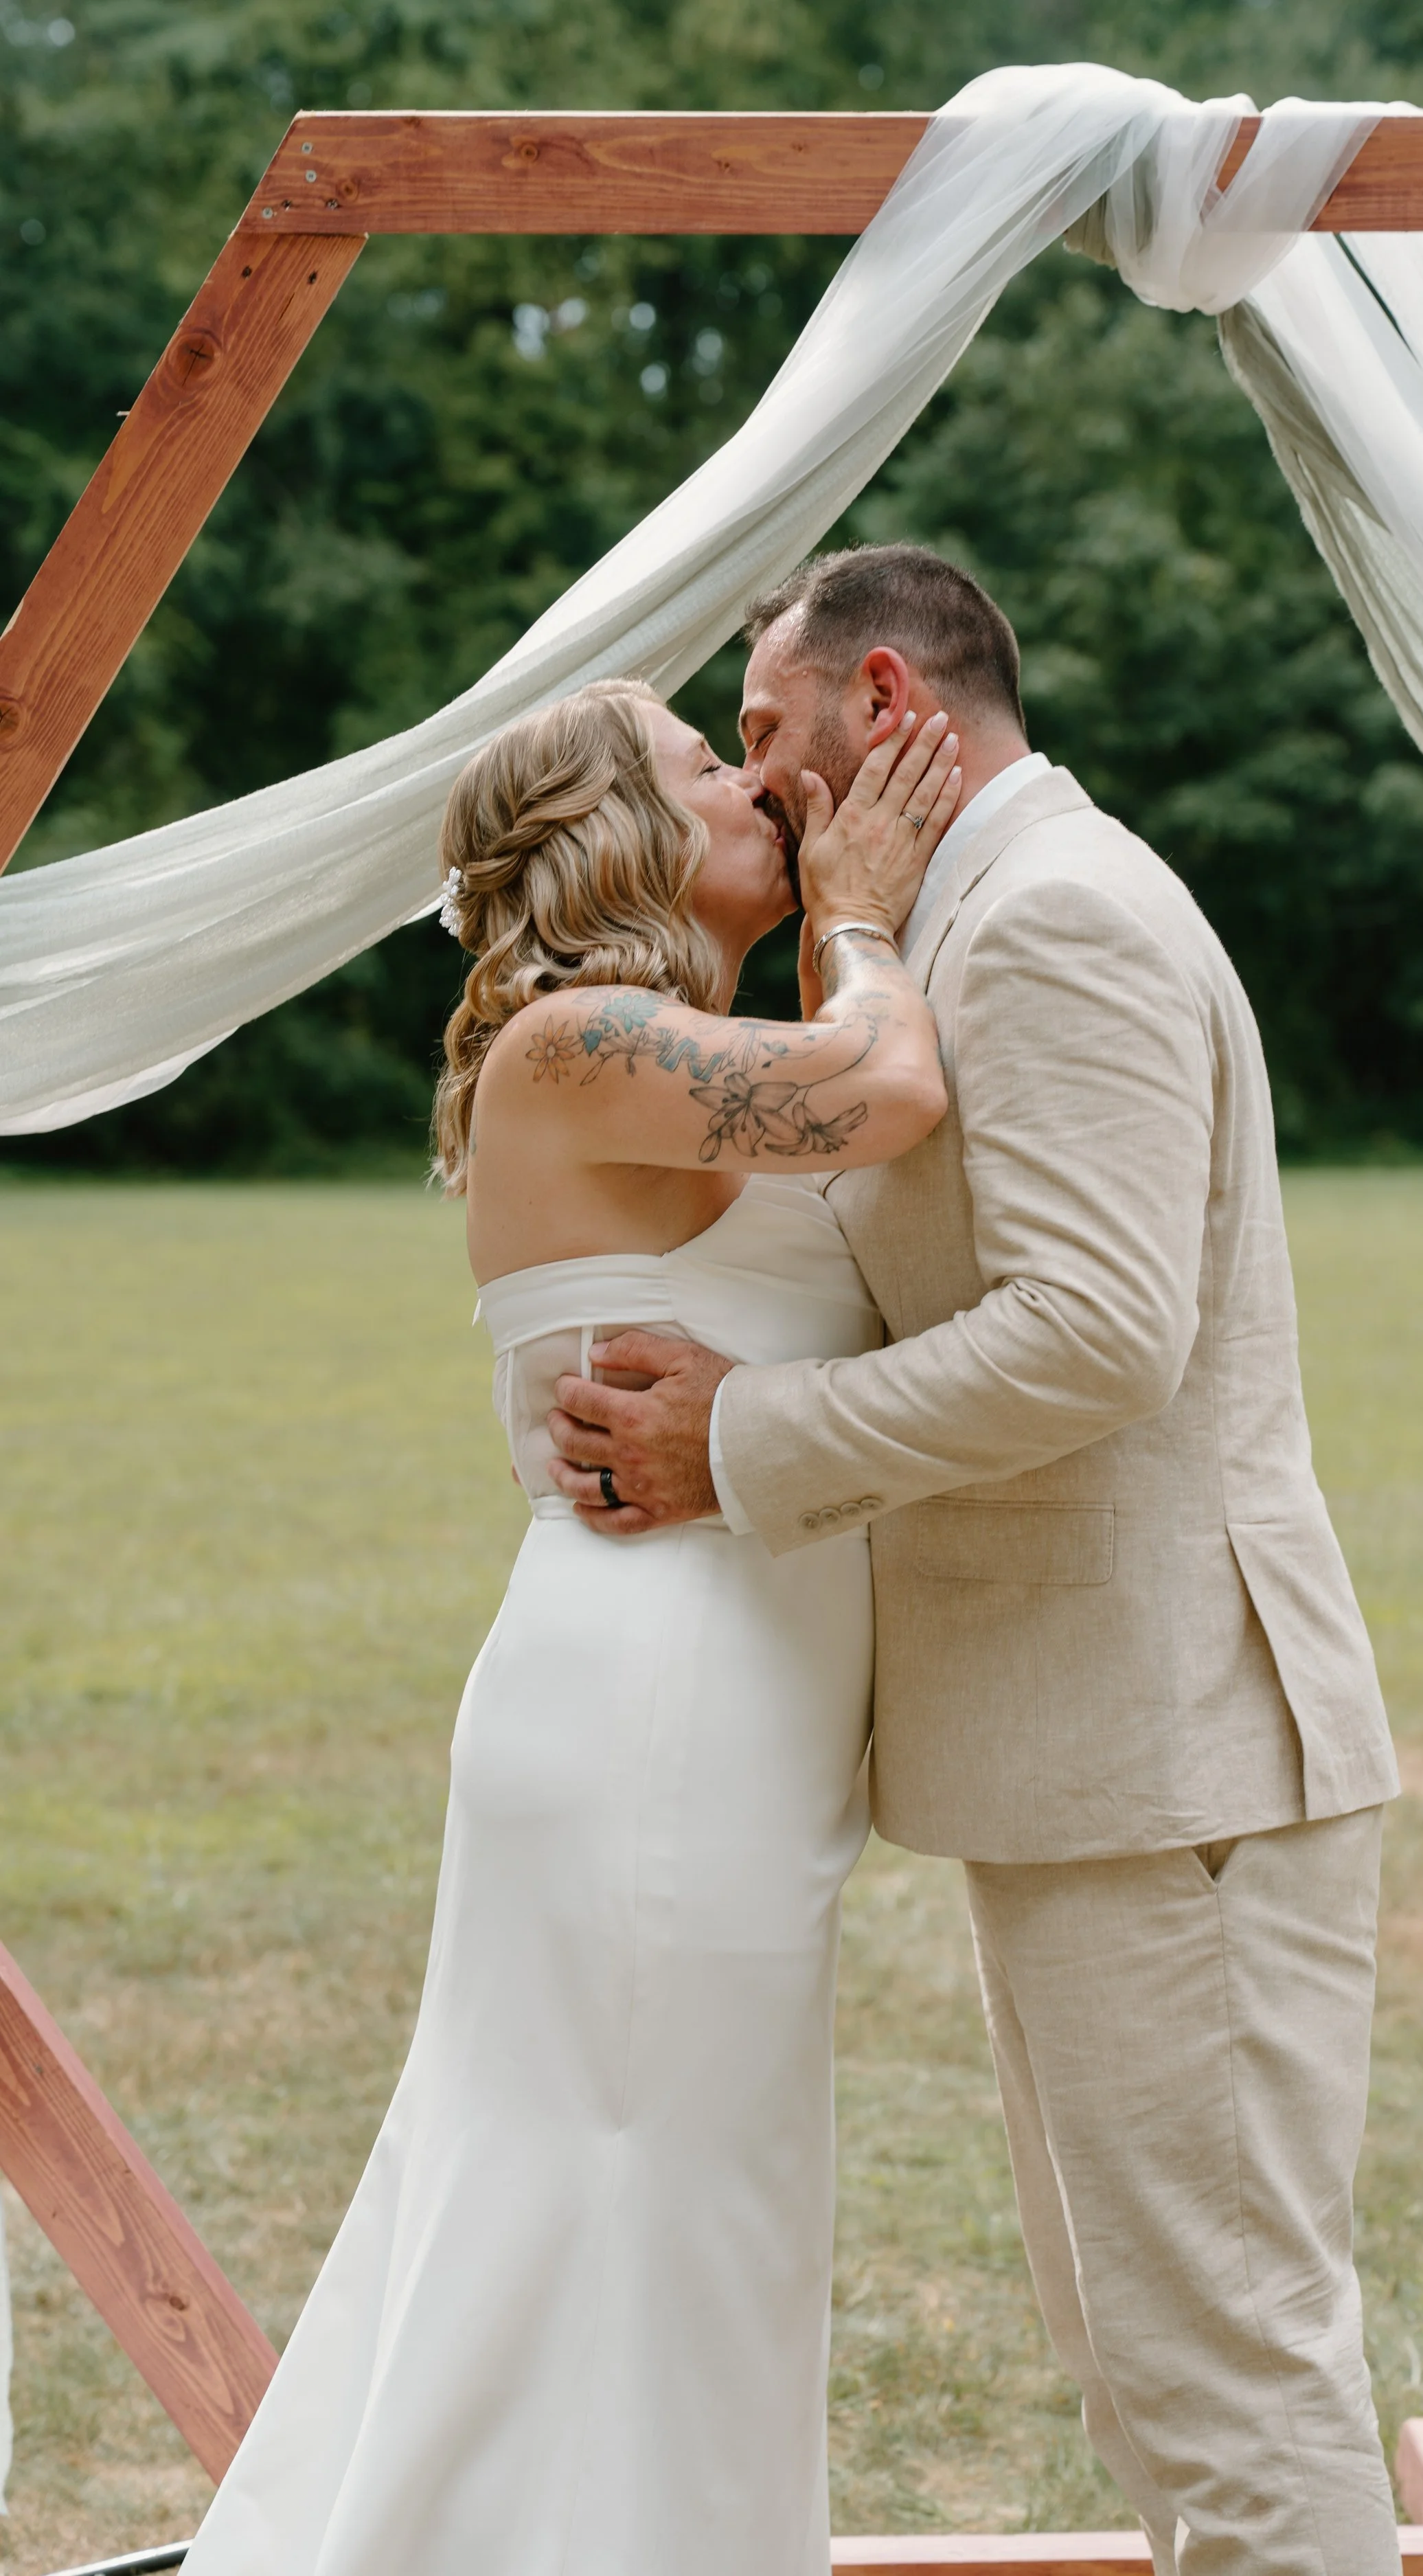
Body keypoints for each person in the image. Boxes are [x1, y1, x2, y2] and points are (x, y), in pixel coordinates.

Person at [545, 546, 1405, 2576]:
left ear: (883, 703)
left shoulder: (1059, 919)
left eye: (763, 729)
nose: (752, 778)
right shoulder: (966, 929)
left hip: (1177, 1751)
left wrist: (734, 1443)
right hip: (1103, 1760)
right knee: (1153, 2369)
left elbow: (1100, 1332)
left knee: (1226, 2381)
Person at [179, 675, 959, 2576]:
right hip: (651, 1722)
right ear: (620, 830)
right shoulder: (574, 1043)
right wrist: (858, 909)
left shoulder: (665, 1041)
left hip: (723, 1722)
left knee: (687, 2211)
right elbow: (894, 1088)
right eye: (713, 764)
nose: (761, 783)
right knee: (624, 2210)